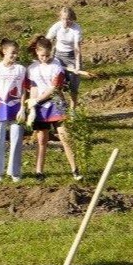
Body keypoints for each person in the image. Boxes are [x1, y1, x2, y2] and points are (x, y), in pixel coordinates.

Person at [26, 35, 82, 182]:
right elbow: (33, 86)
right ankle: (39, 171)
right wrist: (32, 104)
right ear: (37, 52)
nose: (44, 58)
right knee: (42, 139)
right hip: (40, 107)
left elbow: (54, 88)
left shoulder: (56, 66)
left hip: (56, 103)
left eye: (47, 55)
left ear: (51, 52)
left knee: (64, 136)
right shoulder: (32, 68)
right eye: (42, 55)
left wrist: (37, 100)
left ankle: (75, 169)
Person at [0, 39, 29, 183]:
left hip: (16, 108)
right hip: (0, 108)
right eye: (12, 53)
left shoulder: (21, 69)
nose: (15, 56)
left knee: (16, 140)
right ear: (4, 52)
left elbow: (23, 90)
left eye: (16, 53)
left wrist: (23, 108)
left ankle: (14, 171)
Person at [46, 6, 83, 111]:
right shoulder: (57, 27)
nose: (66, 22)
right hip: (58, 56)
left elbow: (76, 48)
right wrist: (46, 56)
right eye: (63, 19)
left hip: (72, 56)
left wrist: (77, 65)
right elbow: (47, 41)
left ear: (72, 19)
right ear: (60, 18)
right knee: (56, 83)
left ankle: (73, 111)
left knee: (73, 88)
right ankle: (63, 105)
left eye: (68, 19)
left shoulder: (76, 29)